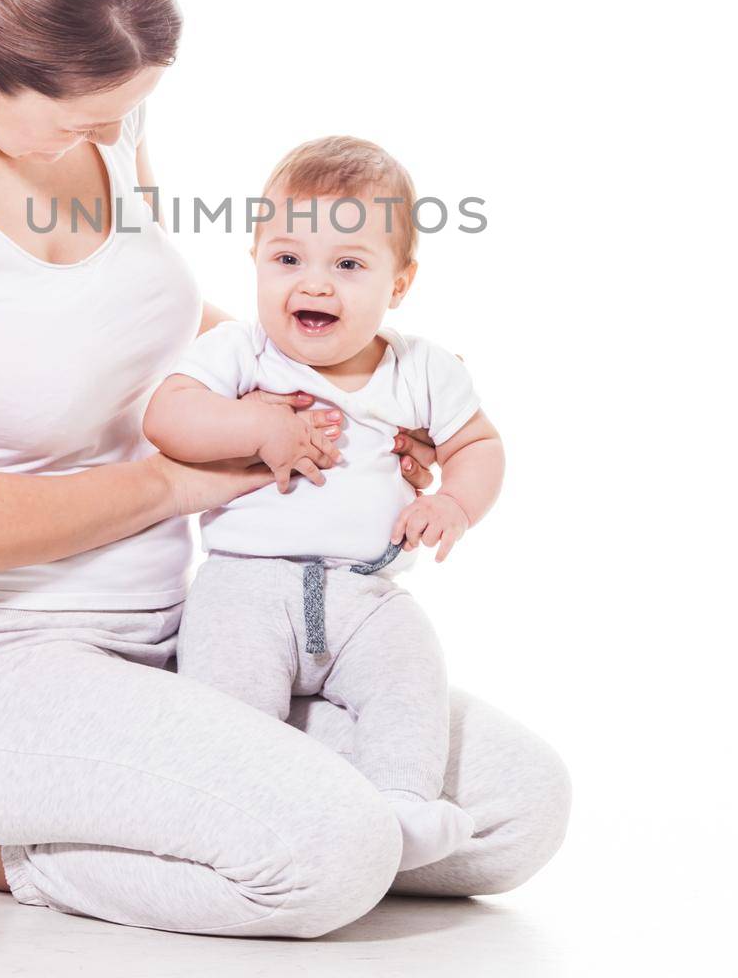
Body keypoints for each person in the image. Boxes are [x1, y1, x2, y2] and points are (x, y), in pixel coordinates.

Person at [0, 0, 571, 939]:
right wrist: (179, 480)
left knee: (515, 810)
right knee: (332, 852)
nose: (111, 143)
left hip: (198, 635)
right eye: (87, 124)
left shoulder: (91, 103)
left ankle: (179, 806)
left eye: (127, 116)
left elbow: (147, 329)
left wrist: (341, 397)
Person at [145, 135, 501, 872]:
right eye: (286, 259)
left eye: (347, 264)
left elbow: (477, 446)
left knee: (411, 681)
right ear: (253, 259)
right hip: (247, 585)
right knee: (225, 709)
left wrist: (457, 505)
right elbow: (166, 416)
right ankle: (225, 816)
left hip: (367, 590)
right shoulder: (240, 352)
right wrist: (253, 423)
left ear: (397, 284)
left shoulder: (420, 369)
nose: (313, 283)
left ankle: (400, 803)